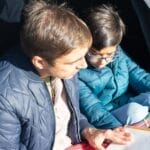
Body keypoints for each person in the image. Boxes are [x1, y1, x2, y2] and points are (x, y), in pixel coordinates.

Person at [0, 1, 133, 150]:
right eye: (74, 61)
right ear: (40, 62)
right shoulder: (6, 98)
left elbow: (71, 115)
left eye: (83, 56)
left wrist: (89, 130)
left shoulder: (65, 67)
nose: (83, 65)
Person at [78, 4, 150, 129]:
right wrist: (116, 130)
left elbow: (137, 74)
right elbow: (93, 109)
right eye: (94, 54)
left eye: (109, 55)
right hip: (107, 116)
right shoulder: (78, 71)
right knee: (135, 111)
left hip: (127, 101)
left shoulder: (117, 54)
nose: (102, 61)